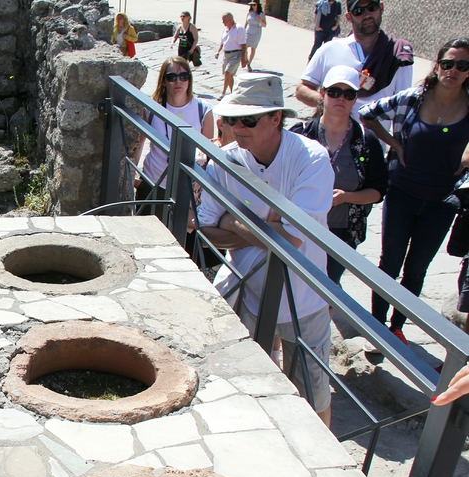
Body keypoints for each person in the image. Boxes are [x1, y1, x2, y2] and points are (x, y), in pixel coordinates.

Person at [198, 74, 335, 426]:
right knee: (249, 384)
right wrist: (268, 228)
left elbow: (290, 242)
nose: (237, 128)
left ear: (276, 118)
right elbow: (205, 230)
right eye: (230, 119)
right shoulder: (225, 159)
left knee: (313, 395)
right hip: (252, 291)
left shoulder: (311, 159)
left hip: (304, 297)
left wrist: (235, 222)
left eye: (248, 119)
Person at [359, 37, 469, 344]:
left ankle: (397, 326)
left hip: (442, 202)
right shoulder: (416, 97)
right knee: (389, 262)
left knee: (416, 270)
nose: (453, 70)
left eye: (462, 65)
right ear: (437, 65)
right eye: (448, 63)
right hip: (402, 193)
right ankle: (377, 323)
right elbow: (368, 113)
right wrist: (393, 143)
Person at [290, 65, 387, 286]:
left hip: (342, 230)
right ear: (322, 94)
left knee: (328, 285)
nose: (340, 99)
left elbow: (378, 191)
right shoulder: (300, 134)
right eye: (334, 92)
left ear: (355, 99)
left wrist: (345, 197)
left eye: (348, 94)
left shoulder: (366, 140)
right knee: (296, 282)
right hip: (301, 224)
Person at [297, 0, 414, 132]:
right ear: (348, 17)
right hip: (328, 142)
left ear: (381, 8)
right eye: (359, 11)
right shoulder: (329, 50)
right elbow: (301, 89)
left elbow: (403, 109)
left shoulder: (397, 56)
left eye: (372, 7)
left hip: (373, 147)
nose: (367, 14)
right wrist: (330, 102)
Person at [133, 56, 215, 216]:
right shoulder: (151, 108)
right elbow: (138, 145)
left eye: (184, 76)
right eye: (172, 77)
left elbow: (206, 154)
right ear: (163, 81)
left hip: (186, 188)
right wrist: (132, 178)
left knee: (180, 239)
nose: (179, 82)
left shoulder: (203, 110)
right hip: (153, 182)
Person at [215, 13, 247, 99]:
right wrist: (218, 51)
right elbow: (222, 42)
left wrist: (244, 58)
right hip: (226, 54)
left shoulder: (239, 28)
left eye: (224, 20)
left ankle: (223, 93)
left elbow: (243, 44)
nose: (223, 22)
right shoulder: (225, 29)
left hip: (236, 54)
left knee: (227, 73)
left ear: (230, 19)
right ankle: (234, 92)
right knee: (229, 75)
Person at [244, 2, 267, 72]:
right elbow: (246, 23)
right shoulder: (249, 13)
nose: (253, 6)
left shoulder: (261, 14)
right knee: (244, 48)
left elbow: (264, 25)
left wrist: (259, 20)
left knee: (253, 49)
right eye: (251, 5)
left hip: (256, 33)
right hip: (248, 32)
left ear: (257, 5)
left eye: (254, 5)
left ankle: (249, 64)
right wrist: (242, 31)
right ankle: (246, 61)